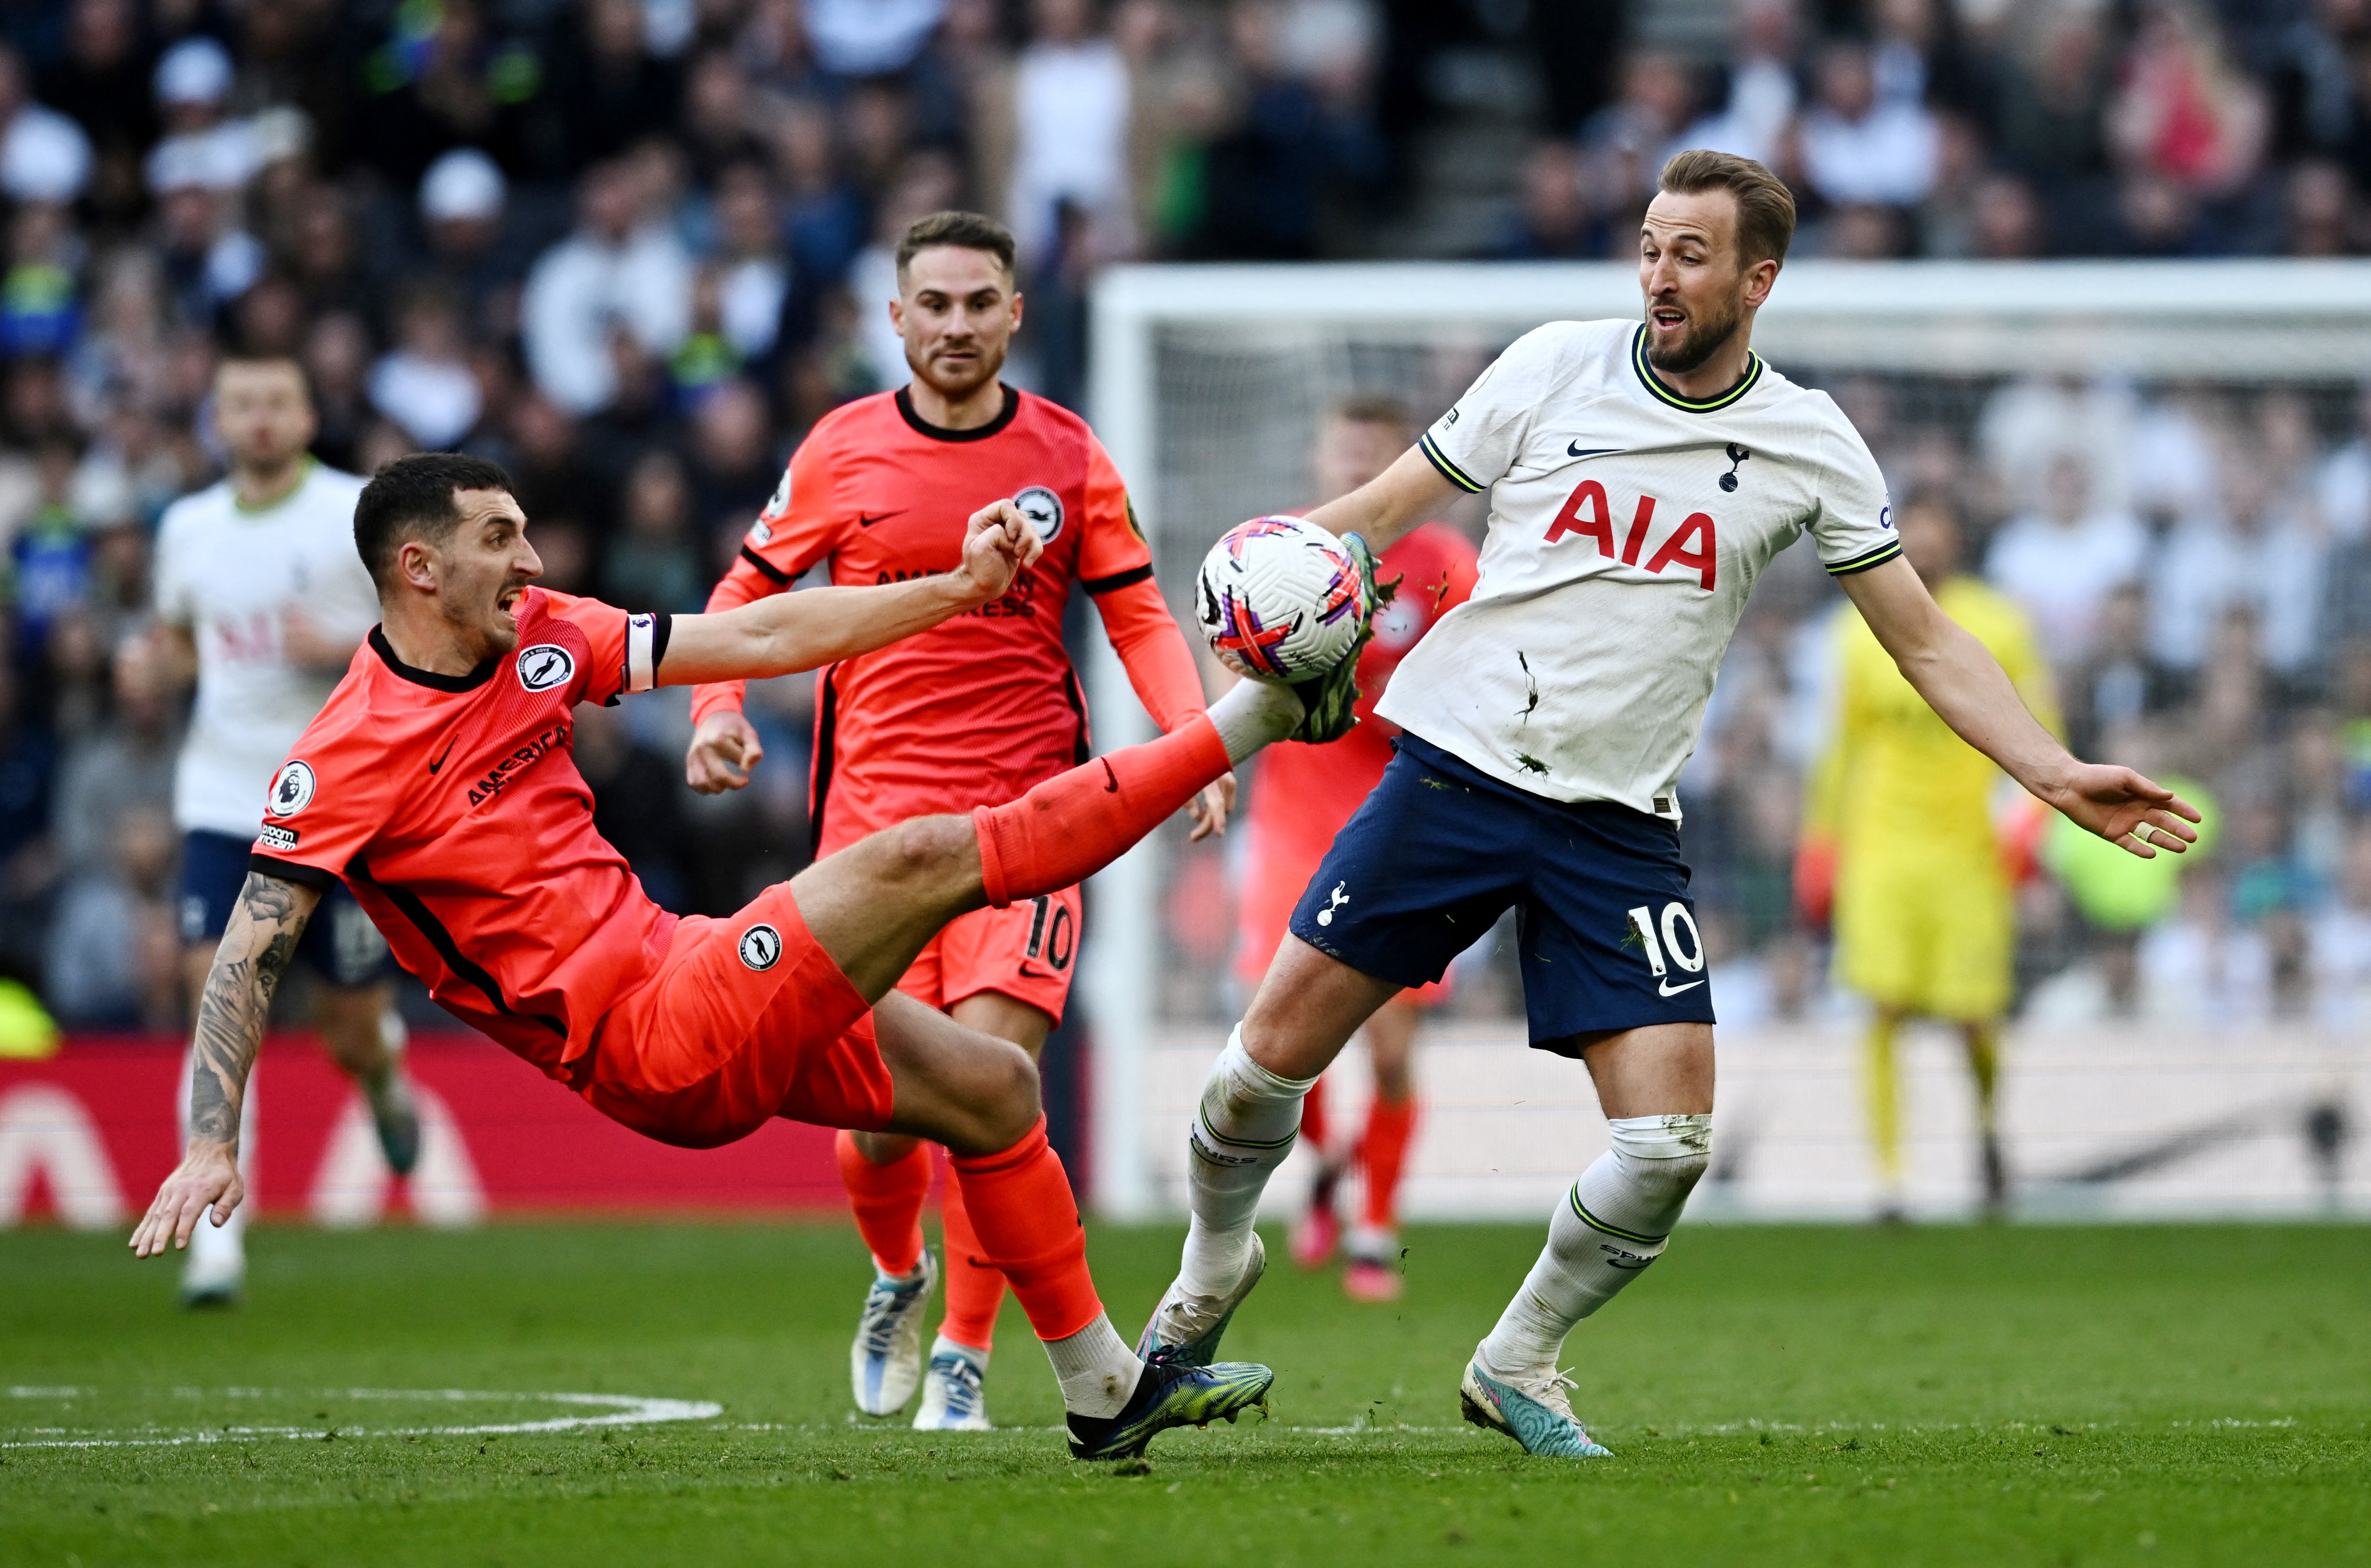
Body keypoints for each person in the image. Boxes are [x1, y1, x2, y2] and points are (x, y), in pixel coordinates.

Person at [1135, 149, 2200, 1460]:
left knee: (1664, 1144)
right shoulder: (1550, 365)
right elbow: (1378, 508)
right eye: (1647, 245)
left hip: (1613, 823)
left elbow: (1921, 639)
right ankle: (1199, 1285)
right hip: (1452, 772)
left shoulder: (1806, 440)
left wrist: (2047, 767)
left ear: (1757, 278)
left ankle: (1516, 1356)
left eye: (1688, 254)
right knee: (1256, 1075)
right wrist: (1265, 579)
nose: (1657, 273)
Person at [131, 452, 1370, 1461]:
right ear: (419, 566)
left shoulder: (543, 638)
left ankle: (1102, 1387)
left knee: (992, 1092)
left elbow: (769, 634)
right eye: (501, 537)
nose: (532, 558)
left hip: (685, 962)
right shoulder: (342, 756)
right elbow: (249, 949)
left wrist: (946, 590)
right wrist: (208, 1133)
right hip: (642, 1041)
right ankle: (1256, 715)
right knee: (921, 855)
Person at [683, 209, 1223, 1432]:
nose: (957, 324)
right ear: (897, 316)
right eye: (934, 303)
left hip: (1027, 824)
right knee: (881, 1127)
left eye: (980, 302)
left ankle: (966, 1356)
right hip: (869, 832)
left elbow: (1136, 611)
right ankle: (896, 1276)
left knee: (996, 1081)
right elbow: (743, 596)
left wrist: (1190, 739)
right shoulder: (839, 450)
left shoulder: (1069, 453)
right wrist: (716, 704)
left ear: (1015, 313)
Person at [151, 353, 419, 1309]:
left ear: (307, 413)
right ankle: (219, 1238)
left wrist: (341, 650)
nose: (260, 419)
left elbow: (424, 640)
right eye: (241, 404)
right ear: (218, 419)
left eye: (277, 401)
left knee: (346, 1030)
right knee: (217, 996)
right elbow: (180, 638)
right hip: (222, 801)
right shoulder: (186, 528)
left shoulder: (358, 514)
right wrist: (152, 667)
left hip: (338, 805)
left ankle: (385, 1081)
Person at [1234, 394, 1479, 1303]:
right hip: (1295, 815)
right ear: (1318, 456)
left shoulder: (1447, 568)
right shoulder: (1279, 554)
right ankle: (1327, 1162)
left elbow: (1477, 679)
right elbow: (1221, 653)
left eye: (1374, 457)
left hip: (1398, 817)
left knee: (1387, 1045)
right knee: (1276, 1040)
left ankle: (1374, 1226)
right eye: (1343, 452)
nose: (1353, 471)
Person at [1799, 491, 2057, 1220]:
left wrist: (2025, 829)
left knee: (1973, 1018)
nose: (1926, 543)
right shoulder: (1858, 629)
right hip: (1881, 843)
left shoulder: (2000, 624)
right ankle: (1890, 1178)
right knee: (1880, 1008)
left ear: (1956, 539)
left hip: (1967, 848)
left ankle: (1984, 1128)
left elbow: (2041, 730)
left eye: (1937, 530)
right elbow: (1840, 747)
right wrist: (1819, 842)